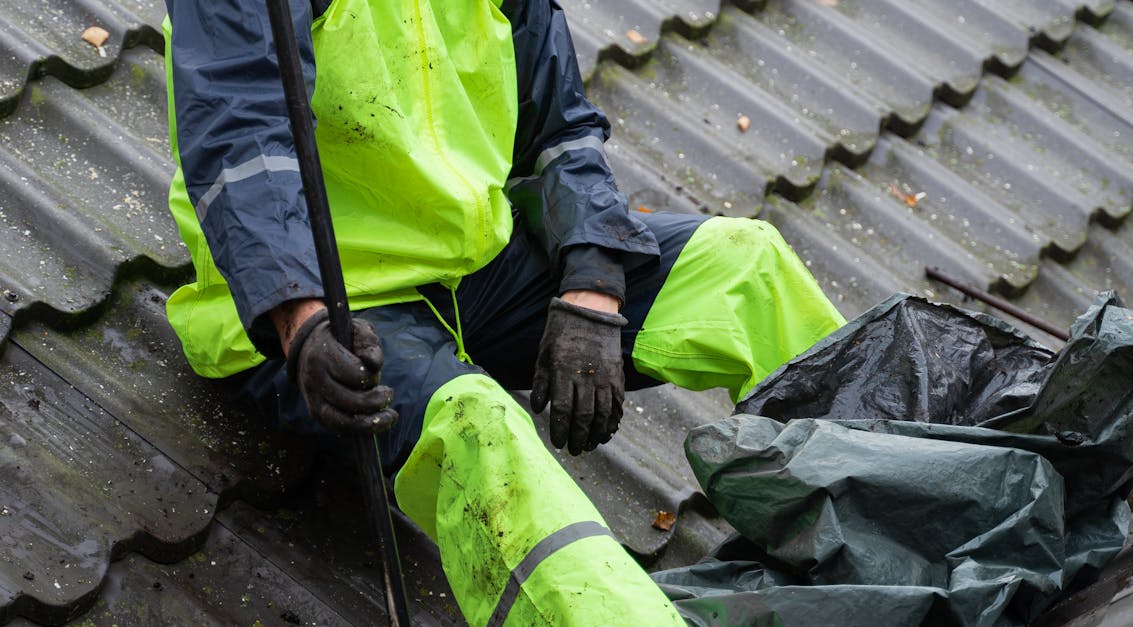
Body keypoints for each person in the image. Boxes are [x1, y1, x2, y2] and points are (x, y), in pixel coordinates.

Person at [162, 0, 845, 624]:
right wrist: (299, 319)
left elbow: (562, 131)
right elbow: (239, 134)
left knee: (746, 266)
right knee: (480, 426)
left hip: (475, 265)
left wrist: (592, 280)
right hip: (328, 301)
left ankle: (889, 531)